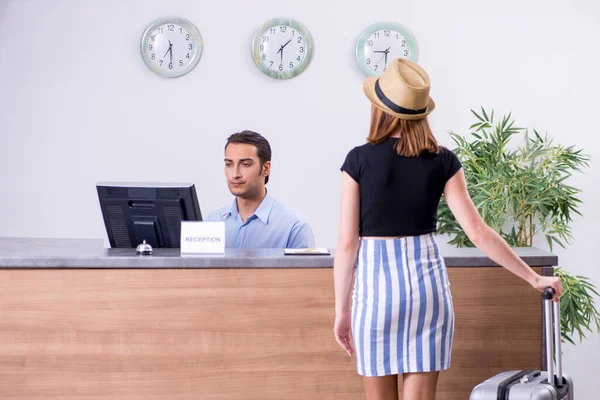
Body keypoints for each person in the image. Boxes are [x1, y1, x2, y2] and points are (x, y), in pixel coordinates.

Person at [332, 59, 563, 400]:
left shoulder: (358, 160)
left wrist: (341, 312)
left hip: (377, 293)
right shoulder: (442, 160)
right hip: (427, 289)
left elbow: (347, 244)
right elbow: (478, 231)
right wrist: (534, 278)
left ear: (379, 109)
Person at [206, 130, 315, 249]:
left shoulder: (294, 228)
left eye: (245, 164)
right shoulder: (212, 222)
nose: (235, 174)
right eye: (229, 164)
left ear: (266, 169)